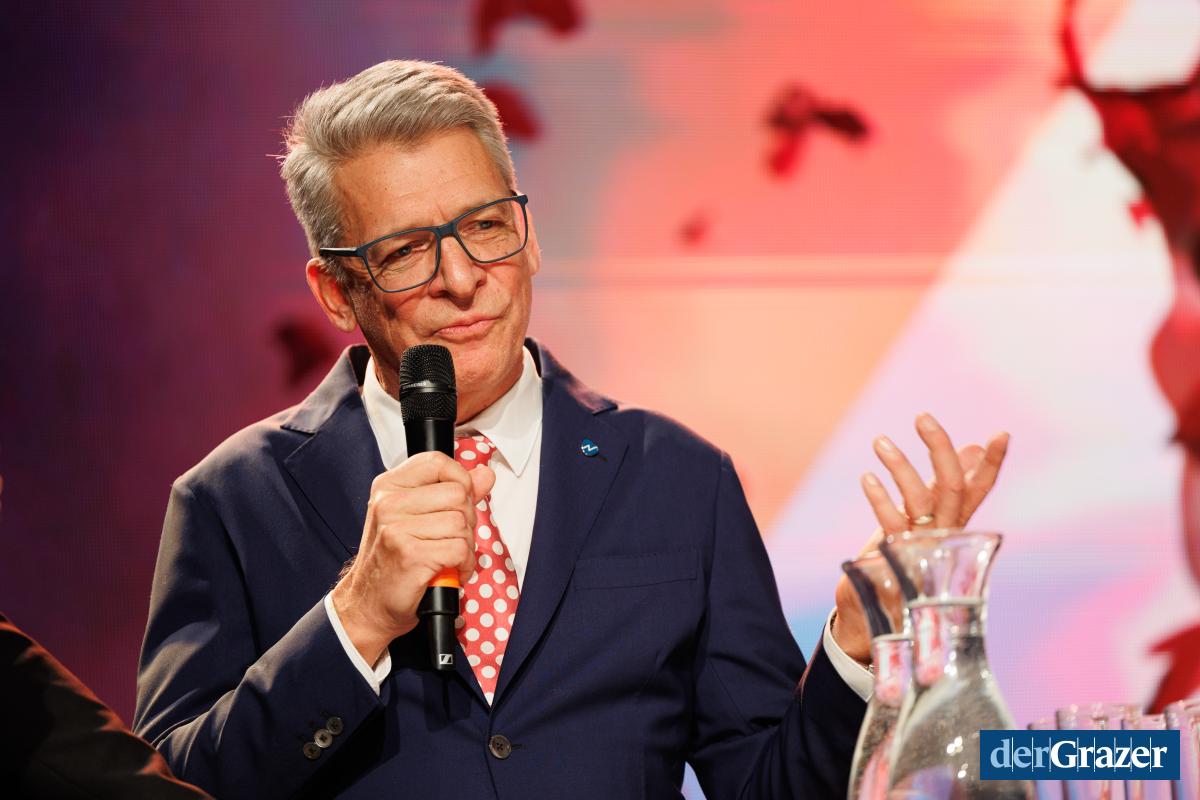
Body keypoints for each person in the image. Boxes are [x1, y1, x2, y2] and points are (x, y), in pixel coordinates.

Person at [133, 60, 1009, 799]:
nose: (462, 279)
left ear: (530, 235)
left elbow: (767, 787)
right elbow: (170, 784)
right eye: (405, 252)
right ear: (335, 292)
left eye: (485, 227)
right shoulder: (232, 500)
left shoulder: (677, 478)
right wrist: (355, 616)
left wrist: (851, 646)